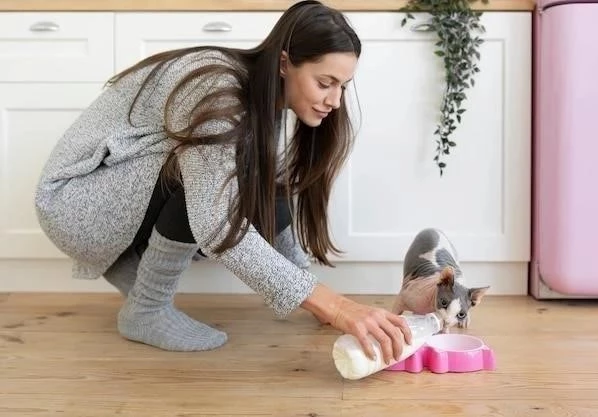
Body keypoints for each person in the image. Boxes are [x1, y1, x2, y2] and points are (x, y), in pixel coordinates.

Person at [34, 0, 412, 365]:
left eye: (343, 86)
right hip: (75, 202)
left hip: (118, 195)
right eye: (325, 82)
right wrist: (335, 304)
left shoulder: (263, 96)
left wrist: (310, 292)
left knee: (256, 170)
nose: (335, 100)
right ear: (285, 63)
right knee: (216, 177)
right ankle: (146, 310)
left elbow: (265, 191)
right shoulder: (217, 89)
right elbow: (215, 224)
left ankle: (143, 289)